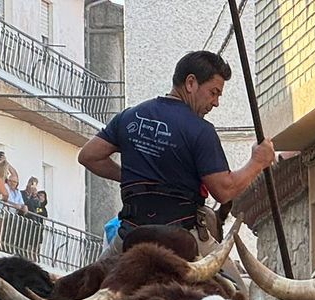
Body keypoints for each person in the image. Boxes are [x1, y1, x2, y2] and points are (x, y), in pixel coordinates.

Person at [79, 50, 277, 236]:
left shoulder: (128, 117)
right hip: (183, 236)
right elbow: (224, 191)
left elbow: (89, 156)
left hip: (130, 234)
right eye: (213, 92)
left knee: (103, 261)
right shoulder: (201, 130)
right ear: (191, 83)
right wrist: (258, 162)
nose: (216, 102)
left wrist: (131, 177)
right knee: (226, 263)